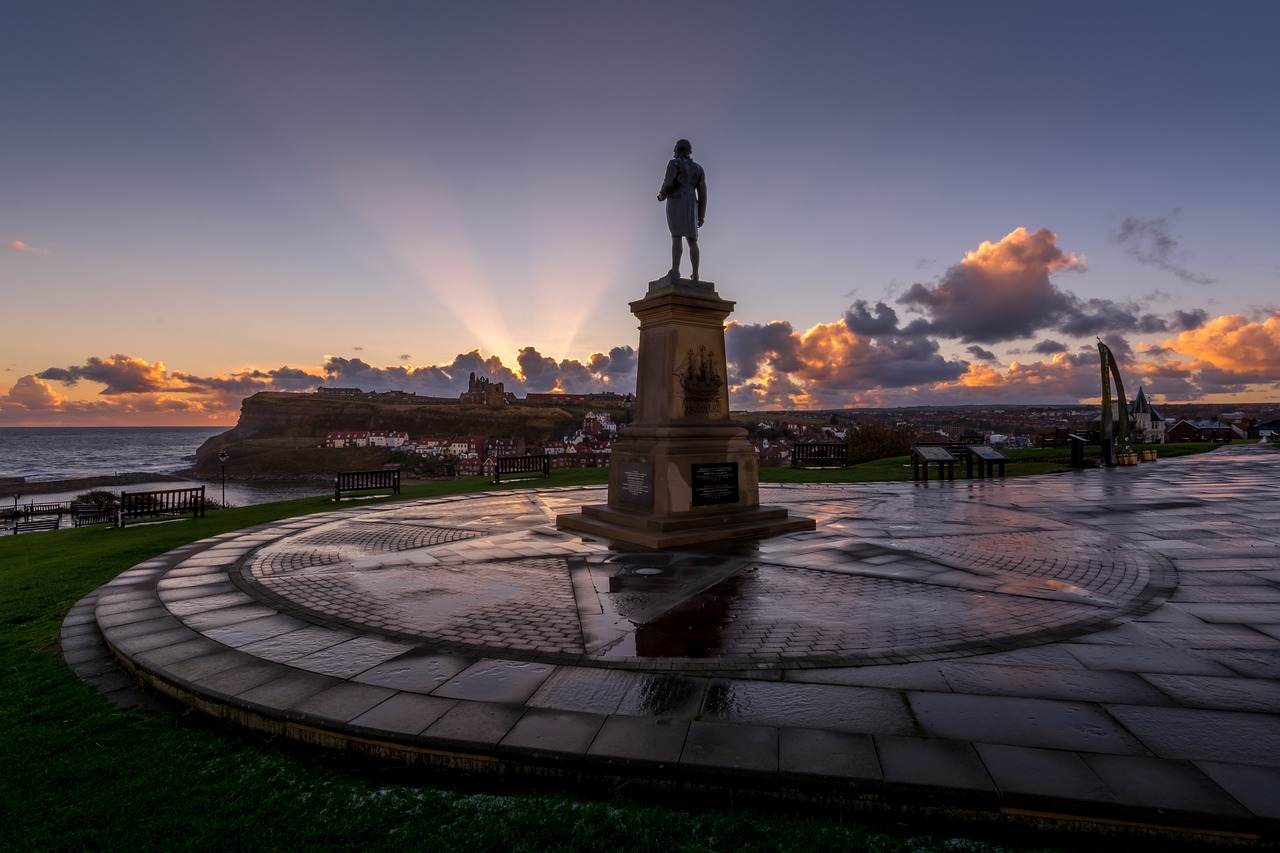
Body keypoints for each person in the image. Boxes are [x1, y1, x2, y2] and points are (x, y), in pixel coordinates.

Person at [656, 138, 707, 281]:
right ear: (689, 151)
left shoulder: (674, 163)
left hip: (677, 200)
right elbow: (703, 193)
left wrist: (661, 196)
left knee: (676, 236)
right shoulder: (698, 168)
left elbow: (669, 183)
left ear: (677, 150)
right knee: (692, 240)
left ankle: (676, 271)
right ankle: (695, 274)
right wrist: (701, 215)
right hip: (692, 203)